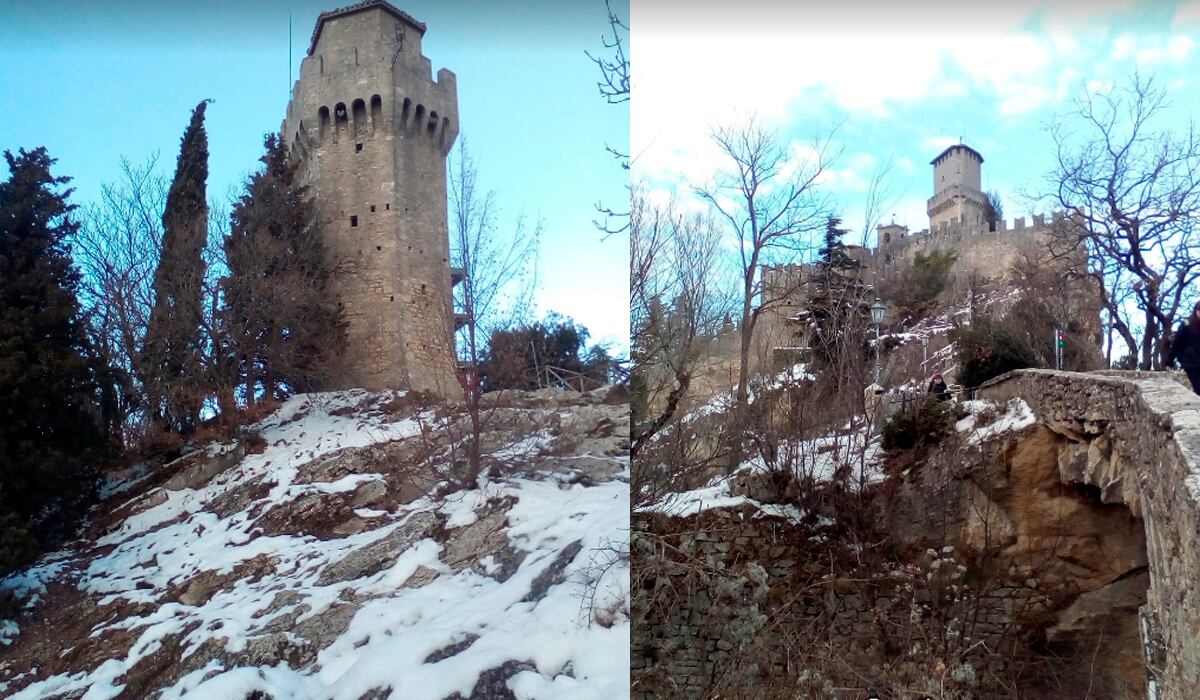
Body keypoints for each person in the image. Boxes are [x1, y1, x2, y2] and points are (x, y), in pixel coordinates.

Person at [1167, 302, 1200, 394]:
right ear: (1196, 311)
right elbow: (1177, 343)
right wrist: (1169, 361)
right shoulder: (1186, 324)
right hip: (1190, 362)